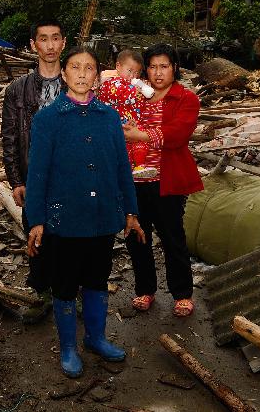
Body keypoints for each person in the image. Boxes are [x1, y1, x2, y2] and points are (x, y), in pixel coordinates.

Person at [24, 46, 145, 378]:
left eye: (88, 68)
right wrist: (36, 220)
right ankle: (68, 348)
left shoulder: (108, 117)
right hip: (63, 220)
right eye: (74, 67)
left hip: (101, 217)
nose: (81, 73)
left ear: (97, 76)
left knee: (96, 279)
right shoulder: (48, 119)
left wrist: (130, 210)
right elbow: (38, 174)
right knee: (64, 286)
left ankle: (96, 338)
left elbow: (122, 167)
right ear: (64, 74)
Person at [122, 43, 204, 317]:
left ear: (175, 69)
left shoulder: (185, 99)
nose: (158, 73)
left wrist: (141, 136)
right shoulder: (135, 95)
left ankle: (182, 294)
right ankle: (145, 290)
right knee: (137, 238)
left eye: (164, 66)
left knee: (172, 237)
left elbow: (178, 133)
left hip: (167, 181)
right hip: (133, 182)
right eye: (153, 66)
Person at [1, 18, 66, 322]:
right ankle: (41, 294)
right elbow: (11, 136)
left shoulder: (75, 84)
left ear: (63, 43)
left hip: (70, 175)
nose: (50, 45)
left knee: (71, 235)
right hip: (34, 175)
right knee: (36, 235)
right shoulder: (18, 89)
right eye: (44, 39)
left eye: (55, 38)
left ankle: (69, 292)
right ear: (33, 45)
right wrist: (16, 180)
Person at [96, 49, 156, 178]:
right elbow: (121, 94)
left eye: (137, 73)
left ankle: (139, 166)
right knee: (120, 149)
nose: (133, 76)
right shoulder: (110, 83)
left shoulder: (132, 84)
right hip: (113, 126)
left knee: (138, 142)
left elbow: (139, 105)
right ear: (118, 66)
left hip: (130, 124)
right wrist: (137, 90)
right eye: (130, 71)